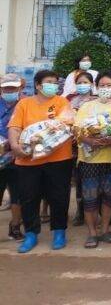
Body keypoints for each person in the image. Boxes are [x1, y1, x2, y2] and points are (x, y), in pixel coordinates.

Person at [7, 70, 74, 253]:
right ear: (38, 85)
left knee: (59, 197)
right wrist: (15, 145)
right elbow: (14, 127)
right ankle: (31, 233)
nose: (53, 85)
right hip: (28, 161)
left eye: (55, 82)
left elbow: (66, 125)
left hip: (58, 159)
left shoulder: (62, 102)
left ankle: (59, 232)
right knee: (29, 198)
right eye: (49, 82)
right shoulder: (24, 104)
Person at [74, 72, 111, 248]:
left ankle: (105, 229)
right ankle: (92, 232)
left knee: (110, 196)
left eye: (109, 85)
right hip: (89, 160)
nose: (105, 88)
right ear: (96, 87)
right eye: (102, 85)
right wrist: (89, 140)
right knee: (90, 197)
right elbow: (77, 129)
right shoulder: (87, 107)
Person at [0, 73, 24, 241]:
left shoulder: (26, 104)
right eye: (6, 88)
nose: (10, 91)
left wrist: (14, 143)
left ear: (20, 88)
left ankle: (15, 226)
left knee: (18, 194)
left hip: (18, 157)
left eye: (13, 88)